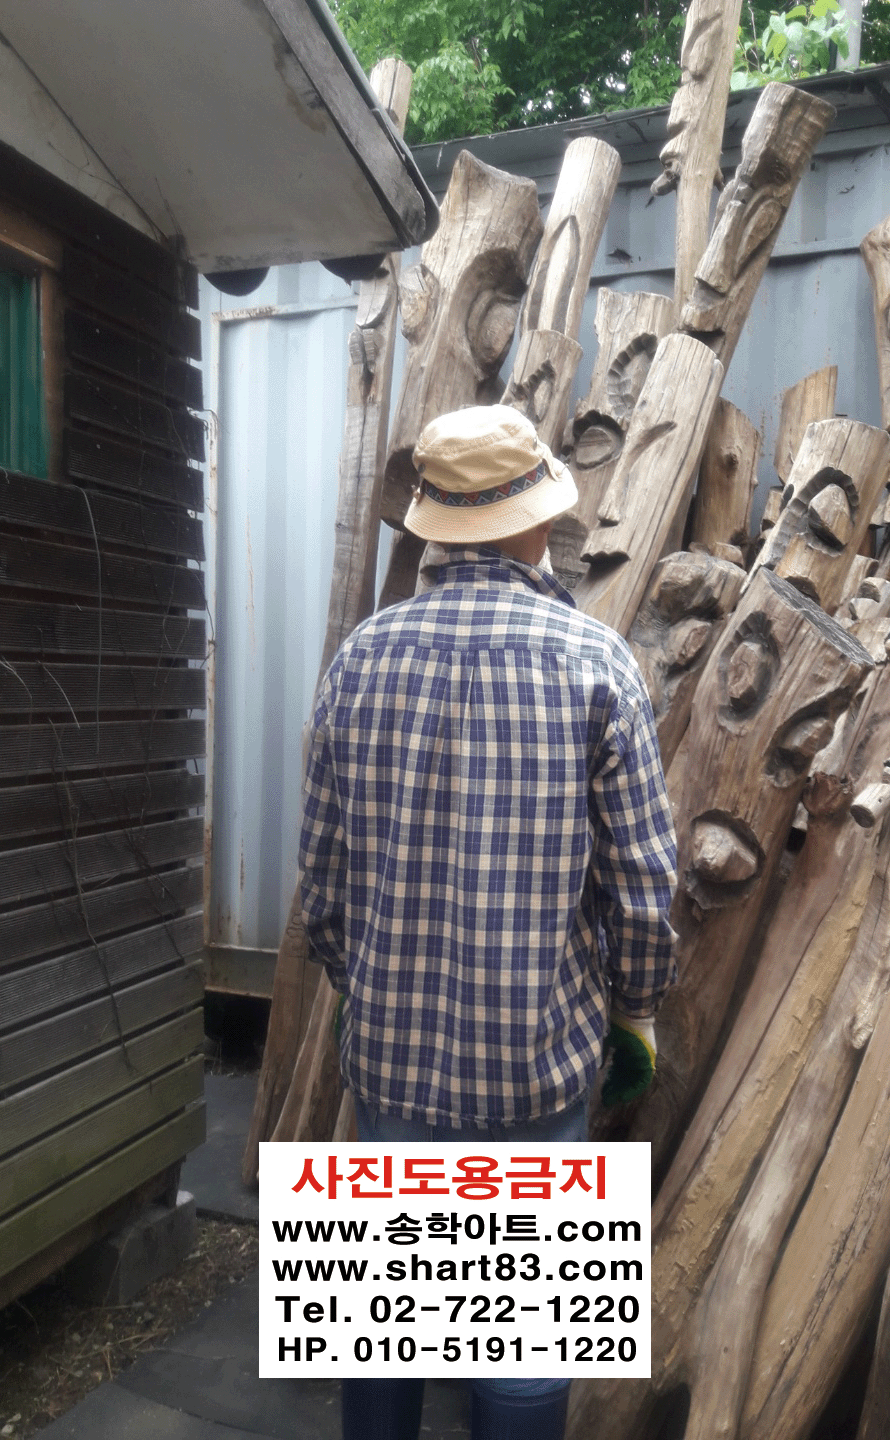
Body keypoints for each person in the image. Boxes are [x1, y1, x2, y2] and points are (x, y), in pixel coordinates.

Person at [298, 404, 678, 1440]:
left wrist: (360, 987)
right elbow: (643, 885)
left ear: (435, 527)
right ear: (534, 521)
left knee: (383, 1328)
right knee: (523, 1352)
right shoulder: (597, 664)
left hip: (391, 1064)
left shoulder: (359, 660)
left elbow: (321, 883)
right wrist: (636, 1010)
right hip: (538, 1064)